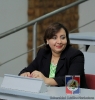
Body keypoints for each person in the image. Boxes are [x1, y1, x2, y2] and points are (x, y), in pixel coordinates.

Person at [19, 22, 87, 88]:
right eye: (54, 38)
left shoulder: (76, 55)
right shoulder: (43, 53)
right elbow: (26, 70)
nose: (59, 42)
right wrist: (24, 74)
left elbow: (73, 81)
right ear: (47, 40)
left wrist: (46, 80)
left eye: (63, 37)